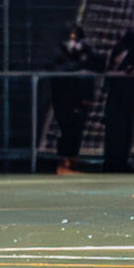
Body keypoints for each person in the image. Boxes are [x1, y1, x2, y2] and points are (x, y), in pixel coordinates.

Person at [46, 24, 103, 174]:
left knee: (77, 131)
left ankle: (72, 162)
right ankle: (63, 162)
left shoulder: (86, 53)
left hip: (81, 99)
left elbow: (99, 63)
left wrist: (86, 55)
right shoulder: (60, 54)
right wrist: (78, 65)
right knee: (66, 130)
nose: (74, 42)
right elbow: (56, 69)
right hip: (64, 98)